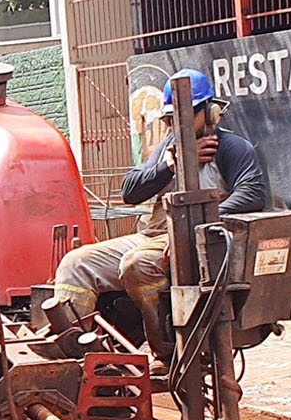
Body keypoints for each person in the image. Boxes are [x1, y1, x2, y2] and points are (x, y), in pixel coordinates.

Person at [53, 68, 269, 362]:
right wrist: (169, 165)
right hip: (154, 235)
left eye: (185, 115)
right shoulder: (168, 149)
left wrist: (198, 226)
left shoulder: (231, 148)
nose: (176, 125)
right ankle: (84, 355)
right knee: (75, 263)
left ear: (210, 112)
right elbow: (130, 192)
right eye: (170, 119)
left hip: (200, 243)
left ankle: (165, 350)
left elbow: (253, 193)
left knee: (137, 264)